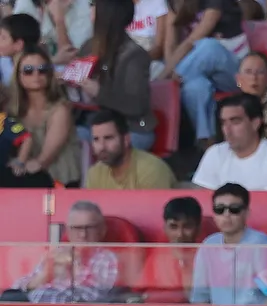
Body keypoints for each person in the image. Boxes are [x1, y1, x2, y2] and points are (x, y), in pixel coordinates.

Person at [159, 0, 246, 146]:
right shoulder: (173, 3)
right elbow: (170, 46)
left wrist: (164, 77)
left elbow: (191, 42)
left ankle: (164, 90)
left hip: (236, 73)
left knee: (208, 46)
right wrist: (170, 68)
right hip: (201, 70)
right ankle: (208, 143)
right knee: (195, 86)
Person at [74, 0, 155, 150]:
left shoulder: (134, 56)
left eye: (94, 6)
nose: (90, 10)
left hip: (130, 130)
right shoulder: (88, 47)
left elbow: (136, 106)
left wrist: (99, 92)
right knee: (65, 137)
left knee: (83, 140)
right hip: (93, 124)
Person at [8, 45, 82, 187]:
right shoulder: (13, 109)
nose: (36, 75)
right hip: (24, 176)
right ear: (18, 75)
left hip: (58, 179)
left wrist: (20, 166)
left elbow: (44, 160)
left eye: (42, 70)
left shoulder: (60, 109)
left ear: (49, 74)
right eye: (28, 71)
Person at [192, 93, 267, 190]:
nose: (227, 130)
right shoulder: (214, 154)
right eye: (223, 123)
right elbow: (202, 198)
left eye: (235, 122)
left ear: (255, 123)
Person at [84, 109, 176, 189]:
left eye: (108, 138)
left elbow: (154, 209)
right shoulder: (95, 173)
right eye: (96, 139)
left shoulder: (150, 170)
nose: (102, 146)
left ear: (126, 139)